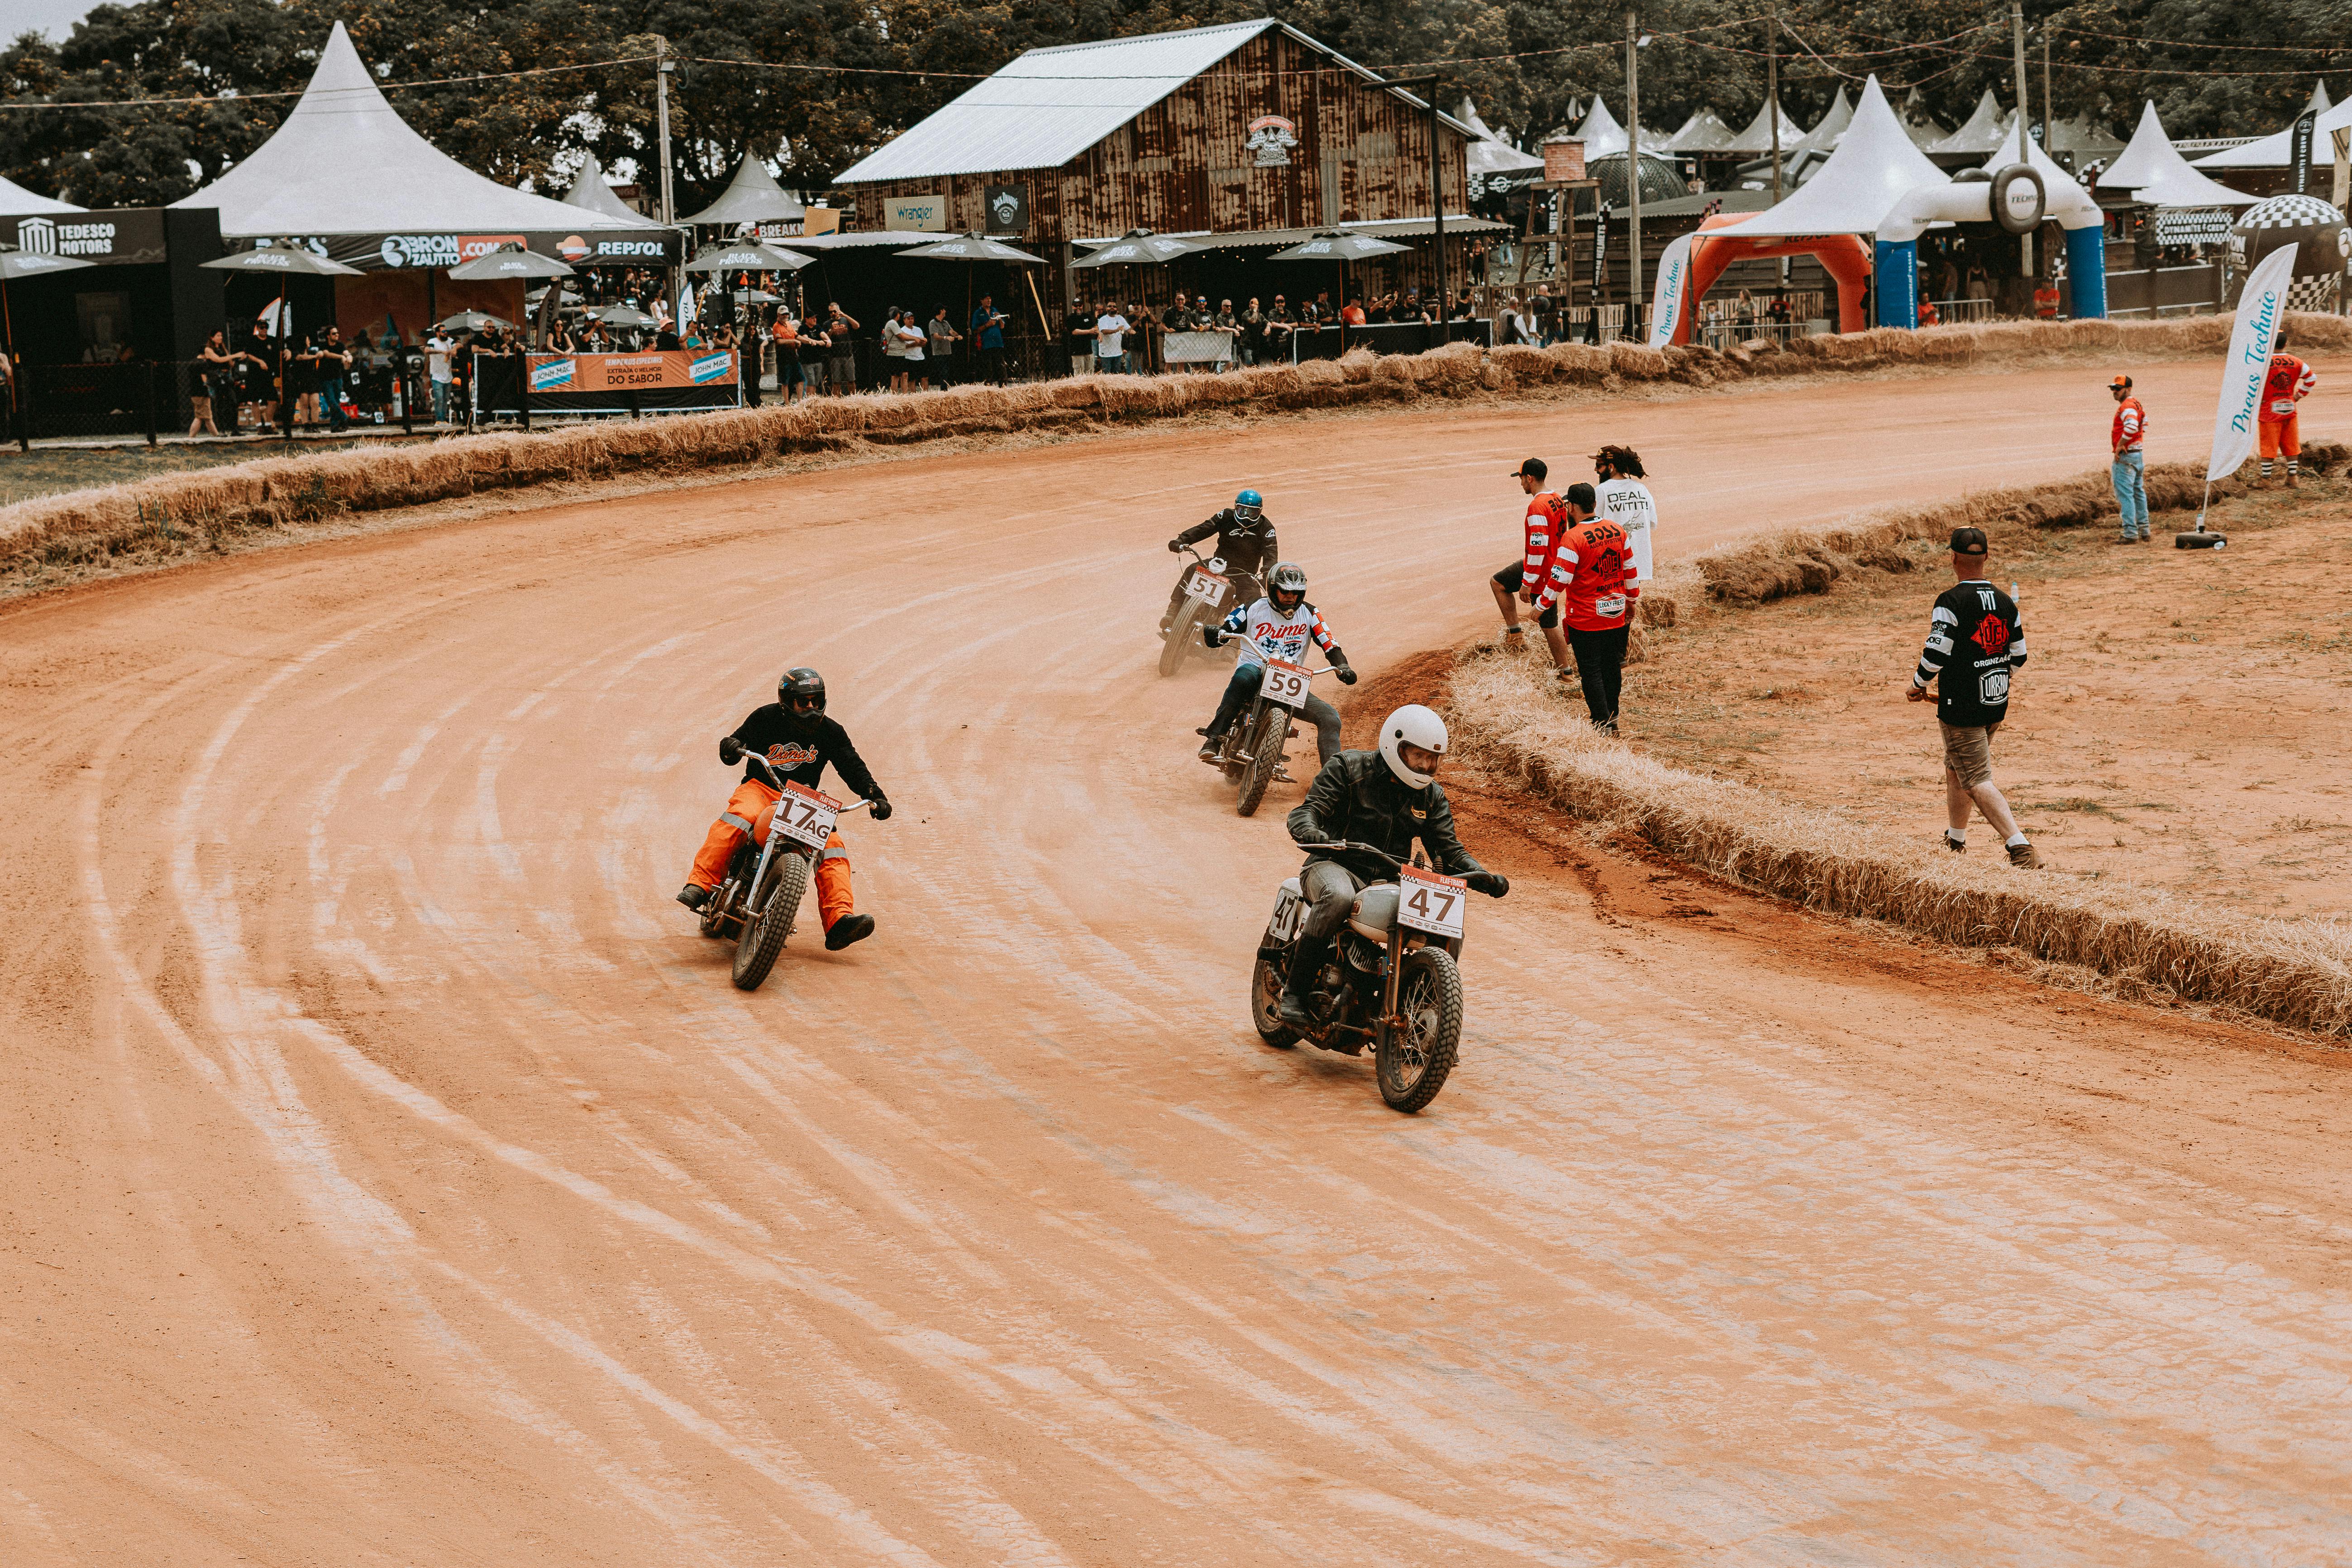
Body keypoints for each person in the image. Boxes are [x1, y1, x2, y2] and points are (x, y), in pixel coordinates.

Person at [1276, 705, 1507, 1028]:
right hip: (1334, 862)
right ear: (1395, 745)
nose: (1425, 765)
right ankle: (1294, 993)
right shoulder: (1348, 767)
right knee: (1339, 897)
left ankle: (1424, 1015)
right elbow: (1308, 810)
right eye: (1418, 755)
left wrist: (1481, 875)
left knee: (1448, 928)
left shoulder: (1431, 796)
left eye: (1433, 758)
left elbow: (1449, 850)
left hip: (1389, 878)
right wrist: (1311, 831)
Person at [676, 667, 893, 950]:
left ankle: (839, 920)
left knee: (833, 847)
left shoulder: (831, 731)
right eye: (804, 701)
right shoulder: (765, 717)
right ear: (787, 701)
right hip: (761, 787)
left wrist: (875, 795)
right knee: (739, 818)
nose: (811, 707)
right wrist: (731, 745)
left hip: (804, 798)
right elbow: (736, 745)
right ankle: (700, 885)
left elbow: (852, 766)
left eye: (817, 701)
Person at [1908, 527, 2037, 867]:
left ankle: (2020, 847)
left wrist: (1918, 684)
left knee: (1976, 778)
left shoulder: (1949, 602)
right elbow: (2019, 656)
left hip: (1961, 707)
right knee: (1957, 768)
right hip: (1995, 703)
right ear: (1987, 557)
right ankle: (1955, 840)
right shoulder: (2006, 601)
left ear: (1953, 558)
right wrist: (1997, 678)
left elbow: (1936, 653)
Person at [1197, 561, 1357, 766]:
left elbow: (1330, 644)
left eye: (1296, 593)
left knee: (1330, 718)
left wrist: (1342, 666)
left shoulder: (1310, 613)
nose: (1291, 597)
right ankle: (1214, 740)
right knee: (1243, 678)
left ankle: (1332, 776)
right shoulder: (1253, 607)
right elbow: (1228, 627)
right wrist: (1217, 633)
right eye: (1285, 591)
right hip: (1255, 668)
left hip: (1290, 678)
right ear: (1273, 589)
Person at [1533, 482, 1636, 734]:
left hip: (1586, 617)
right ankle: (1612, 717)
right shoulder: (1617, 530)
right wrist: (1632, 601)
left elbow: (1559, 578)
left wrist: (1541, 605)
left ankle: (1601, 724)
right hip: (1616, 612)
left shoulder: (1573, 538)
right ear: (1594, 503)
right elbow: (1630, 571)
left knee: (1591, 672)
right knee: (1612, 667)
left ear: (1571, 507)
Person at [1489, 458, 1571, 674]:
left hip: (1542, 571)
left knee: (1549, 625)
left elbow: (1538, 547)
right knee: (1498, 583)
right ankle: (1515, 636)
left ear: (1530, 478)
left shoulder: (1537, 507)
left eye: (1522, 479)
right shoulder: (1556, 498)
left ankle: (1566, 672)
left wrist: (1528, 582)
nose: (1521, 483)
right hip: (1552, 564)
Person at [1164, 486, 1279, 630]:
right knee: (1192, 570)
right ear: (1236, 508)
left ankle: (1237, 639)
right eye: (1242, 511)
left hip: (1244, 575)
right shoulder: (1225, 516)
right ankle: (1172, 613)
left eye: (1252, 513)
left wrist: (1268, 573)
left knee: (1255, 603)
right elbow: (1204, 529)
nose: (1246, 517)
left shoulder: (1266, 528)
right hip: (1218, 566)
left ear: (1260, 512)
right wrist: (1182, 540)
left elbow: (1271, 552)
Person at [1592, 445, 1659, 587]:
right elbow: (1652, 521)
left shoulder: (1601, 491)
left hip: (1612, 564)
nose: (1596, 470)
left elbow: (1592, 526)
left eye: (1599, 466)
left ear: (1611, 467)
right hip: (1638, 562)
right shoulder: (1642, 489)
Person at [2257, 331, 2316, 488]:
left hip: (2269, 410)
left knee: (2269, 446)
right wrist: (2297, 396)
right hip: (2290, 407)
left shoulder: (2262, 363)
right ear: (2286, 344)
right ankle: (2293, 477)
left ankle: (2266, 479)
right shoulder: (2297, 362)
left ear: (2269, 344)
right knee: (2291, 444)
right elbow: (2311, 379)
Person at [2109, 373, 2150, 542]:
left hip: (2126, 457)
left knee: (2126, 495)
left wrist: (2121, 444)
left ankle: (2130, 533)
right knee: (2138, 492)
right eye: (2113, 389)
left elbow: (2132, 426)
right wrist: (2136, 441)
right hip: (2137, 454)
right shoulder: (2136, 404)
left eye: (2118, 389)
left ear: (2128, 389)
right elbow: (2144, 423)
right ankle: (2144, 530)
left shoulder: (2127, 406)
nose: (2115, 392)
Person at [191, 329, 237, 436]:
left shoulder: (223, 348)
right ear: (212, 338)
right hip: (217, 379)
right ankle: (222, 430)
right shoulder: (208, 350)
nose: (221, 338)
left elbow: (230, 363)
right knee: (218, 405)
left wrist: (236, 358)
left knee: (233, 402)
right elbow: (218, 360)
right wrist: (235, 355)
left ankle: (234, 429)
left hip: (226, 377)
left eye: (221, 336)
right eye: (218, 336)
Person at [969, 294, 1008, 382]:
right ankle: (988, 386)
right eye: (987, 299)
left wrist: (1000, 318)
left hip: (998, 343)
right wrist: (987, 325)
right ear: (982, 301)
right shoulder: (978, 313)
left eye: (990, 299)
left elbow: (1002, 327)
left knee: (1001, 366)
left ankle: (1003, 386)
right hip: (986, 344)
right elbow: (975, 330)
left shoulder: (995, 310)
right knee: (988, 368)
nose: (989, 301)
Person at [825, 303, 860, 394]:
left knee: (851, 380)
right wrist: (831, 329)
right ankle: (837, 399)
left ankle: (853, 398)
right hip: (835, 356)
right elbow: (825, 339)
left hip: (848, 354)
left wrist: (845, 315)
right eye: (831, 312)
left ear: (838, 311)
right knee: (837, 382)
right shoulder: (827, 324)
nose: (833, 314)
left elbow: (857, 326)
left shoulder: (845, 320)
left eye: (835, 311)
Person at [926, 305, 962, 386]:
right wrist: (946, 338)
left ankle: (947, 389)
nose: (945, 311)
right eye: (944, 310)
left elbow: (952, 332)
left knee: (948, 372)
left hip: (947, 352)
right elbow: (935, 336)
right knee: (943, 373)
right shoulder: (933, 323)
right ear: (941, 311)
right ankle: (944, 390)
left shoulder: (945, 323)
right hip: (939, 352)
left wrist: (958, 336)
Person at [1093, 302, 1132, 375]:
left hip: (1117, 351)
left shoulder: (1120, 318)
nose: (1112, 308)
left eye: (1114, 307)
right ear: (1107, 309)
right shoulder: (1103, 319)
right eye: (1110, 306)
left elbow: (1128, 331)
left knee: (1116, 373)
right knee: (1106, 373)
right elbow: (1104, 331)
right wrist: (1116, 330)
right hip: (1105, 350)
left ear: (1117, 309)